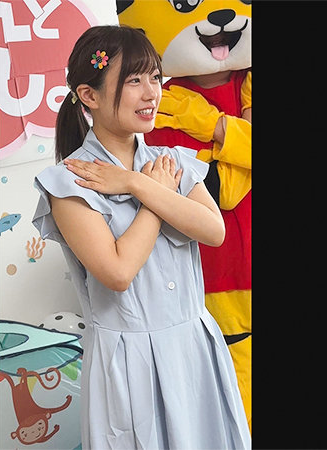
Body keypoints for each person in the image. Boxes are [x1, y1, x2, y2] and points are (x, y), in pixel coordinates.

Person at [32, 25, 250, 449]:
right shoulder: (70, 181)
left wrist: (136, 184)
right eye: (133, 80)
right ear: (89, 95)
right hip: (130, 365)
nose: (152, 93)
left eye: (154, 77)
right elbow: (118, 272)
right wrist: (153, 194)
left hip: (195, 349)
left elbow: (214, 230)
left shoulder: (170, 161)